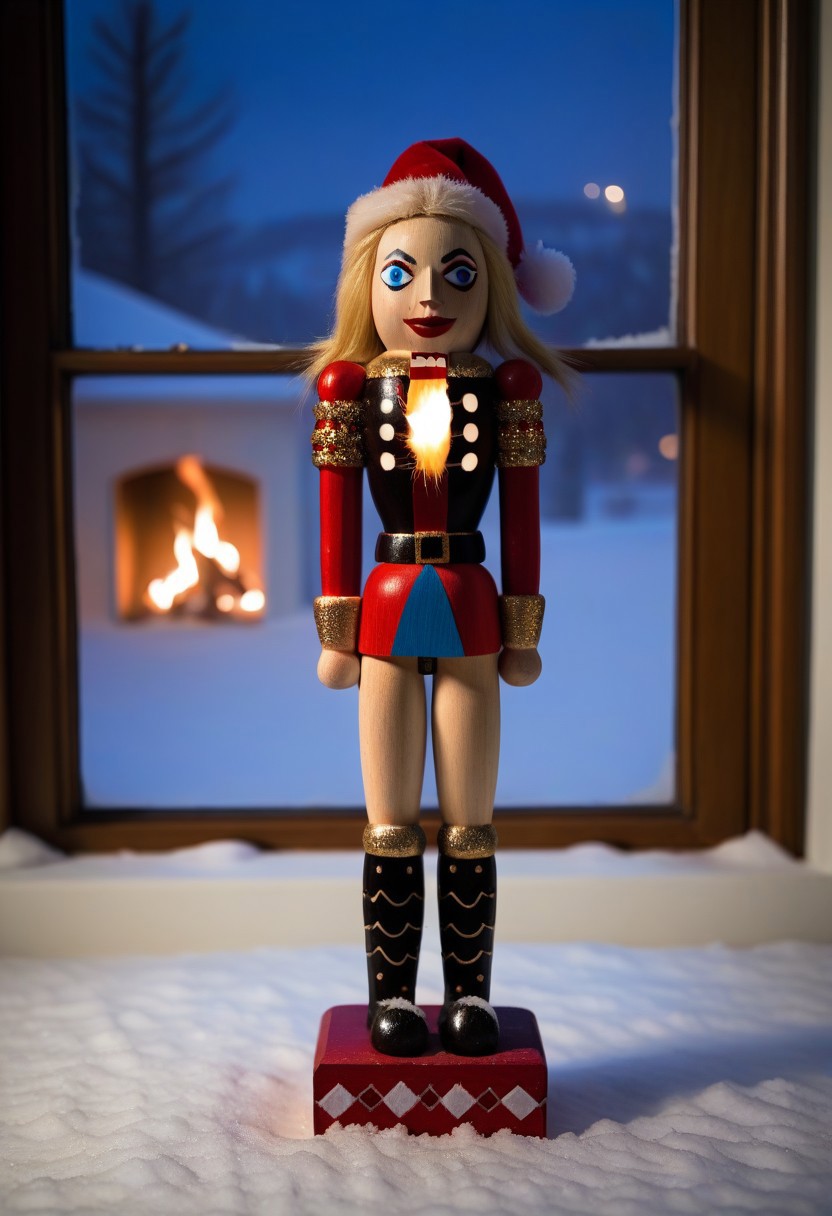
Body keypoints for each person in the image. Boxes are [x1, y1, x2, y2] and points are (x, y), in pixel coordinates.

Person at [308, 139, 573, 1057]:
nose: (428, 296)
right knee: (389, 818)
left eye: (458, 273)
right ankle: (391, 997)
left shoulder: (509, 389)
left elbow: (524, 517)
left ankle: (469, 999)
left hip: (471, 601)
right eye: (401, 272)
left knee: (470, 818)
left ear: (494, 285)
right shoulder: (349, 387)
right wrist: (336, 626)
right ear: (367, 285)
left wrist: (523, 626)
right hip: (386, 601)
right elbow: (336, 515)